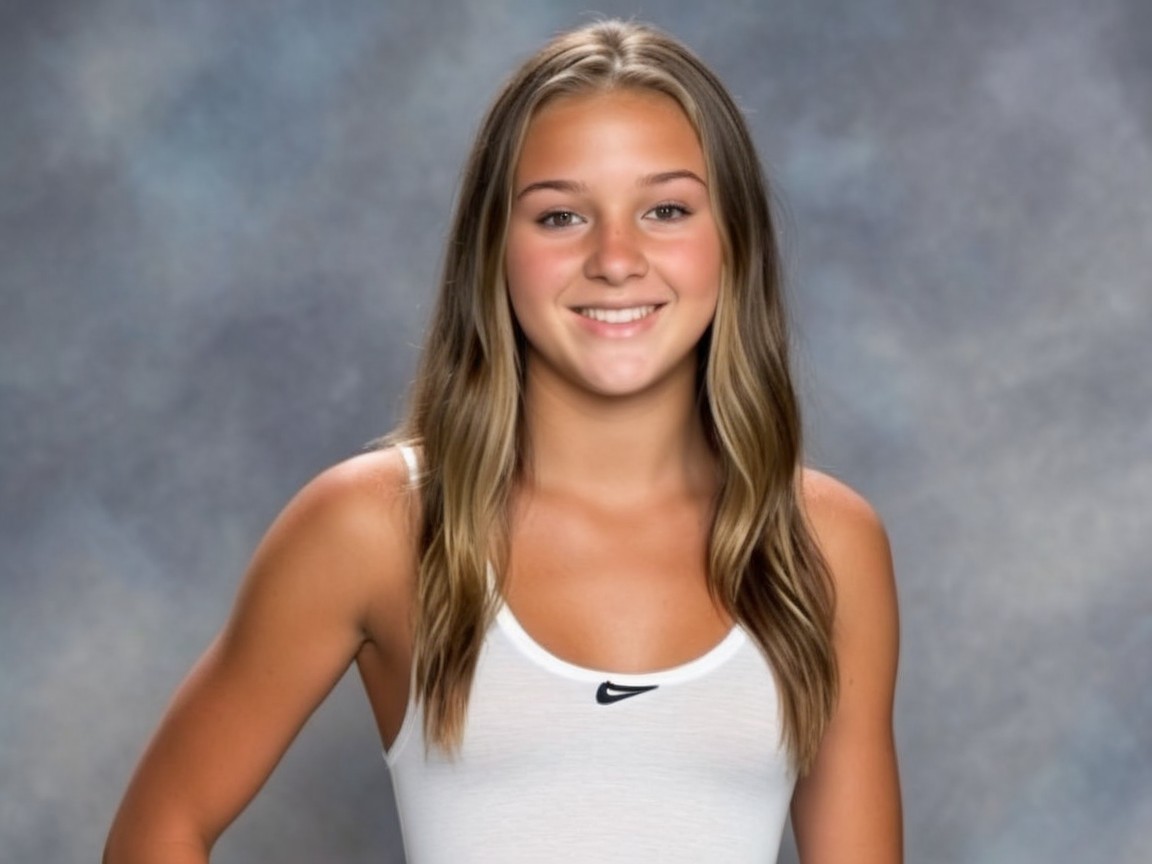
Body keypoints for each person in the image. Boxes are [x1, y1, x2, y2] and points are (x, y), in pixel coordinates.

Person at [104, 19, 901, 863]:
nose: (616, 258)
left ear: (733, 241)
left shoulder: (826, 544)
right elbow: (162, 826)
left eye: (666, 209)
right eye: (560, 217)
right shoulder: (374, 525)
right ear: (494, 250)